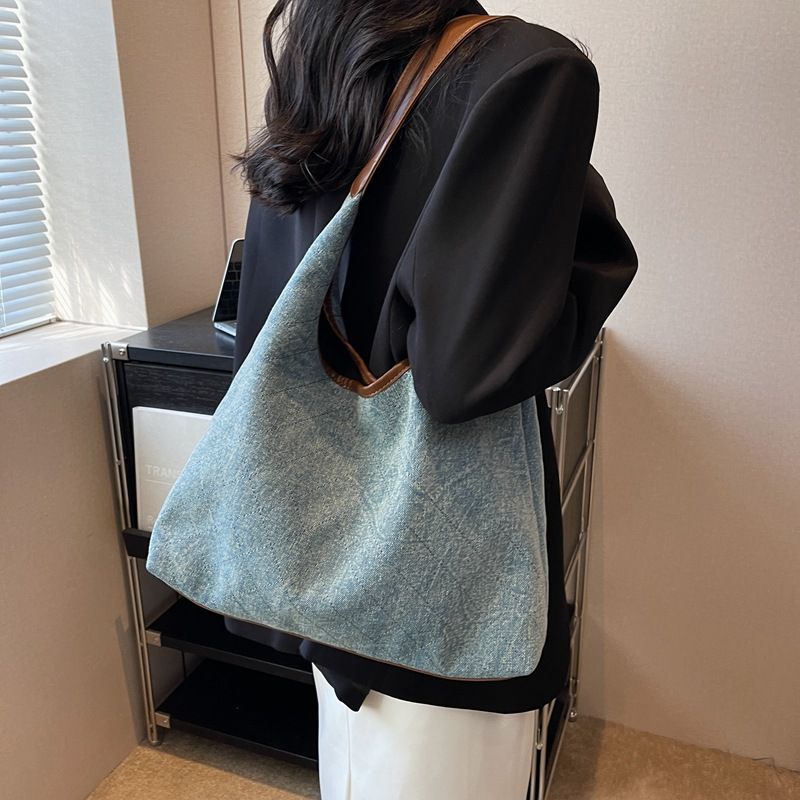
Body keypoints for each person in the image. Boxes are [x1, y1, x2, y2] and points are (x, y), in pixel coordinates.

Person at [225, 1, 638, 797]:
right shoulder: (529, 70)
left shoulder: (318, 60)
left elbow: (271, 322)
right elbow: (464, 373)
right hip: (447, 597)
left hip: (323, 566)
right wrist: (572, 214)